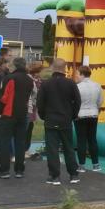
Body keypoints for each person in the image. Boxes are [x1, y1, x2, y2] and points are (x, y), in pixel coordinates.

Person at [37, 57, 81, 185]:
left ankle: (54, 176)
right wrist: (72, 115)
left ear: (52, 68)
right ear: (65, 68)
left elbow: (40, 103)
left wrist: (44, 116)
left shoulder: (46, 84)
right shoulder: (71, 83)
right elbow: (77, 101)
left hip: (50, 120)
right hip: (65, 120)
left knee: (52, 149)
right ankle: (73, 174)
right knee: (68, 148)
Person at [0, 57, 34, 179]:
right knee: (20, 142)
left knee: (5, 142)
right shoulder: (29, 80)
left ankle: (4, 170)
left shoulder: (10, 78)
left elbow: (4, 97)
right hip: (23, 114)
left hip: (8, 114)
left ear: (15, 65)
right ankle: (19, 170)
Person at [74, 65, 102, 171]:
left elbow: (74, 102)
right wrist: (95, 109)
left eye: (77, 74)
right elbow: (100, 101)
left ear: (82, 74)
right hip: (94, 114)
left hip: (80, 115)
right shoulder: (97, 85)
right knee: (92, 139)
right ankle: (96, 164)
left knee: (81, 140)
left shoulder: (77, 87)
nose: (76, 76)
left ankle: (81, 165)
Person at [24, 62, 44, 156]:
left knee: (30, 128)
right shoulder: (29, 80)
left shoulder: (37, 80)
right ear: (35, 72)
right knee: (26, 129)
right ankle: (23, 150)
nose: (40, 74)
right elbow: (34, 94)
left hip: (33, 107)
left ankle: (26, 149)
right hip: (28, 107)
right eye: (39, 71)